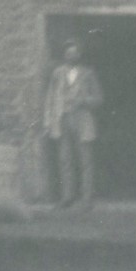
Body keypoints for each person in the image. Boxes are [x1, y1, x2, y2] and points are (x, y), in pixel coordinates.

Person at [43, 44, 104, 209]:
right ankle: (67, 197)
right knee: (65, 160)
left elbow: (98, 98)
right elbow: (50, 98)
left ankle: (87, 199)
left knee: (85, 160)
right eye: (68, 52)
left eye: (75, 53)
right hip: (62, 120)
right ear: (64, 54)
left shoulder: (88, 73)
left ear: (80, 55)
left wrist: (84, 101)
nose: (71, 56)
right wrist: (48, 121)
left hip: (83, 120)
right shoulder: (57, 73)